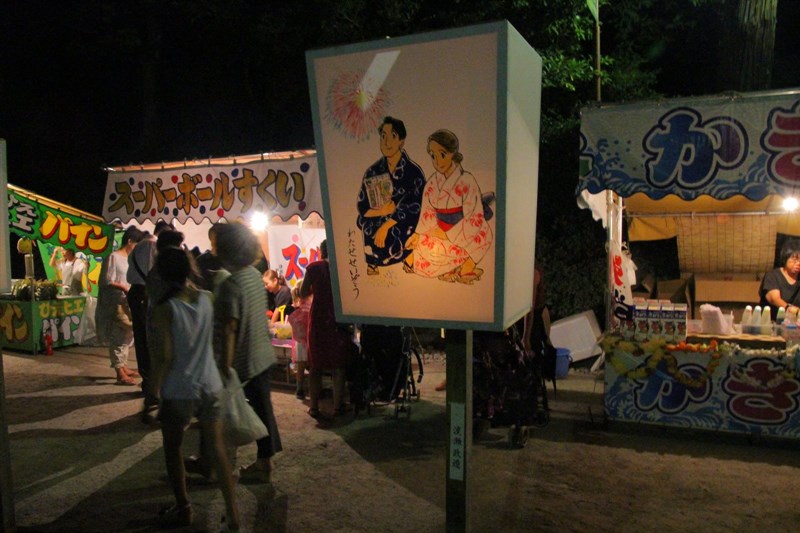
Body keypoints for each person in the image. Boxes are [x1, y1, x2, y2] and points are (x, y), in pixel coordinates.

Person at [149, 247, 240, 530]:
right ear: (190, 270)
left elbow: (164, 357)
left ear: (162, 274)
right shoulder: (207, 298)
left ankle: (184, 508)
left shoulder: (164, 309)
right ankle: (233, 516)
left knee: (173, 447)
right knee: (218, 450)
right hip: (209, 383)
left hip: (179, 387)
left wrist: (151, 393)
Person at [214, 221, 282, 483]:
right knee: (263, 409)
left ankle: (259, 463)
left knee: (237, 412)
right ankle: (264, 460)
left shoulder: (231, 285)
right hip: (262, 354)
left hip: (247, 361)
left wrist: (224, 366)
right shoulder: (254, 275)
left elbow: (229, 330)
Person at [406, 129, 494, 284]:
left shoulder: (467, 181)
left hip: (461, 234)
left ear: (453, 153)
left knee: (484, 233)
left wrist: (448, 234)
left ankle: (465, 267)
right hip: (438, 235)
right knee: (425, 250)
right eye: (433, 156)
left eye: (442, 154)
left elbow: (474, 217)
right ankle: (454, 269)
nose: (437, 161)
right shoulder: (432, 183)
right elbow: (427, 215)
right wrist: (418, 235)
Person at [356, 116, 426, 275]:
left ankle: (408, 259)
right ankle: (372, 263)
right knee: (367, 224)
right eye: (383, 136)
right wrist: (382, 211)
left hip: (402, 222)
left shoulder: (413, 172)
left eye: (393, 136)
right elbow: (362, 205)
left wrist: (387, 225)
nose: (387, 142)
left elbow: (415, 205)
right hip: (378, 218)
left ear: (401, 141)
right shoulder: (373, 171)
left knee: (404, 227)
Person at [300, 239, 353, 418]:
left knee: (315, 365)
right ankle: (338, 407)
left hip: (319, 318)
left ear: (322, 251)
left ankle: (314, 406)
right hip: (339, 317)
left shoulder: (313, 268)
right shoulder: (343, 268)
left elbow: (302, 292)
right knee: (338, 365)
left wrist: (317, 290)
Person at [127, 220, 174, 419]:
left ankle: (149, 383)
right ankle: (149, 384)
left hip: (138, 292)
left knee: (143, 337)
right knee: (148, 338)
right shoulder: (151, 245)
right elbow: (150, 273)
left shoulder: (141, 245)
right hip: (144, 293)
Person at [97, 226, 143, 385]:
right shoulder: (113, 257)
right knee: (119, 334)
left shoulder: (130, 258)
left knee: (127, 334)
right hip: (116, 302)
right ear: (129, 241)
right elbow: (106, 280)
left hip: (127, 302)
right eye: (136, 244)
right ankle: (119, 371)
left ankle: (123, 365)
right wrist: (124, 287)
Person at [760, 240, 800, 320]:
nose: (798, 263)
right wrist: (791, 309)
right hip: (771, 322)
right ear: (785, 258)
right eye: (795, 259)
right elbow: (774, 299)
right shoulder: (772, 276)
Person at [287, 282, 311, 399]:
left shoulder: (297, 310)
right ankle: (313, 390)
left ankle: (299, 389)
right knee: (313, 367)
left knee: (301, 366)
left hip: (299, 342)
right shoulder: (310, 307)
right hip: (310, 340)